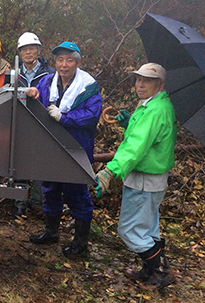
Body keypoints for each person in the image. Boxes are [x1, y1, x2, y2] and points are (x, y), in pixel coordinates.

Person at [95, 63, 177, 290]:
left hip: (145, 179)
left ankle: (160, 271)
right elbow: (142, 136)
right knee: (149, 227)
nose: (140, 84)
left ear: (159, 84)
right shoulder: (151, 106)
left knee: (129, 230)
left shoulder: (155, 111)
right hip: (148, 177)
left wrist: (110, 171)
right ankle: (150, 268)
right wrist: (128, 122)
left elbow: (136, 147)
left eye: (147, 81)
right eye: (138, 79)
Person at [26, 41, 102, 256]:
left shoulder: (88, 87)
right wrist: (32, 92)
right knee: (50, 189)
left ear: (77, 62)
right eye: (60, 59)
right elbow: (37, 96)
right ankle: (51, 232)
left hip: (75, 148)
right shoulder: (48, 81)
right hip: (51, 147)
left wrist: (65, 118)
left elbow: (92, 115)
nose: (64, 64)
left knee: (77, 193)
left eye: (69, 59)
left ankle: (80, 242)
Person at [14, 32, 55, 216]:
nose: (28, 52)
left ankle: (38, 203)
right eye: (24, 49)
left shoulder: (50, 74)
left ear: (38, 50)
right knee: (19, 163)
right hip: (20, 124)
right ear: (20, 52)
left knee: (39, 164)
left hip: (42, 124)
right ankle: (19, 203)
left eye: (31, 48)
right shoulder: (14, 73)